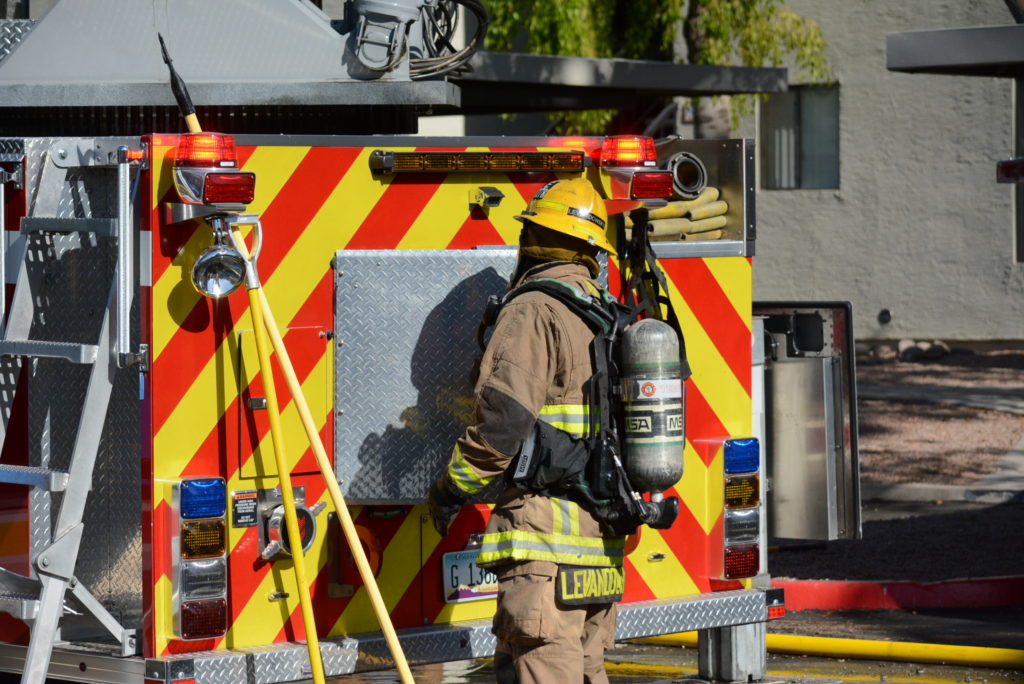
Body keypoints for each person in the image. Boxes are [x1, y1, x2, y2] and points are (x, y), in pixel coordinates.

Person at [428, 178, 625, 684]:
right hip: (598, 547)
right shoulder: (601, 310)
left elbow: (504, 421)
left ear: (532, 237)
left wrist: (452, 488)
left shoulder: (535, 308)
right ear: (591, 250)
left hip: (546, 545)